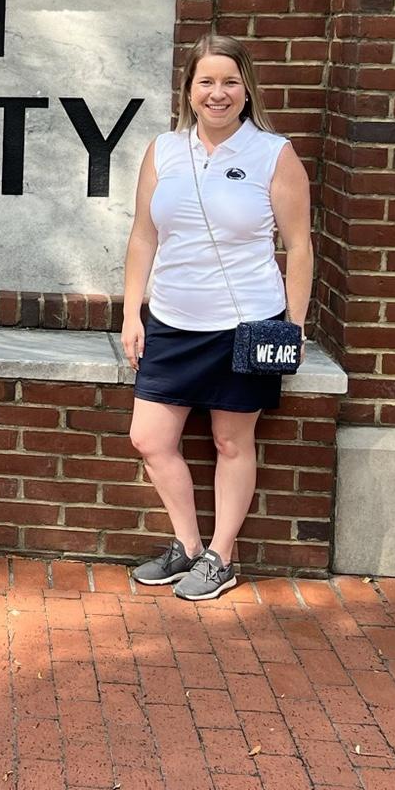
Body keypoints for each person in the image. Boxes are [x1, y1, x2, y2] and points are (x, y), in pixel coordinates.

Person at [120, 32, 312, 600]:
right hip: (174, 319)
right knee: (149, 438)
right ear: (189, 90)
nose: (218, 93)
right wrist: (134, 312)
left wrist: (291, 326)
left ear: (247, 90)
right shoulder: (164, 150)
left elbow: (299, 246)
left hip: (246, 321)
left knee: (232, 442)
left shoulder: (273, 153)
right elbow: (141, 236)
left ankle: (220, 557)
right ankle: (185, 546)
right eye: (207, 81)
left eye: (230, 81)